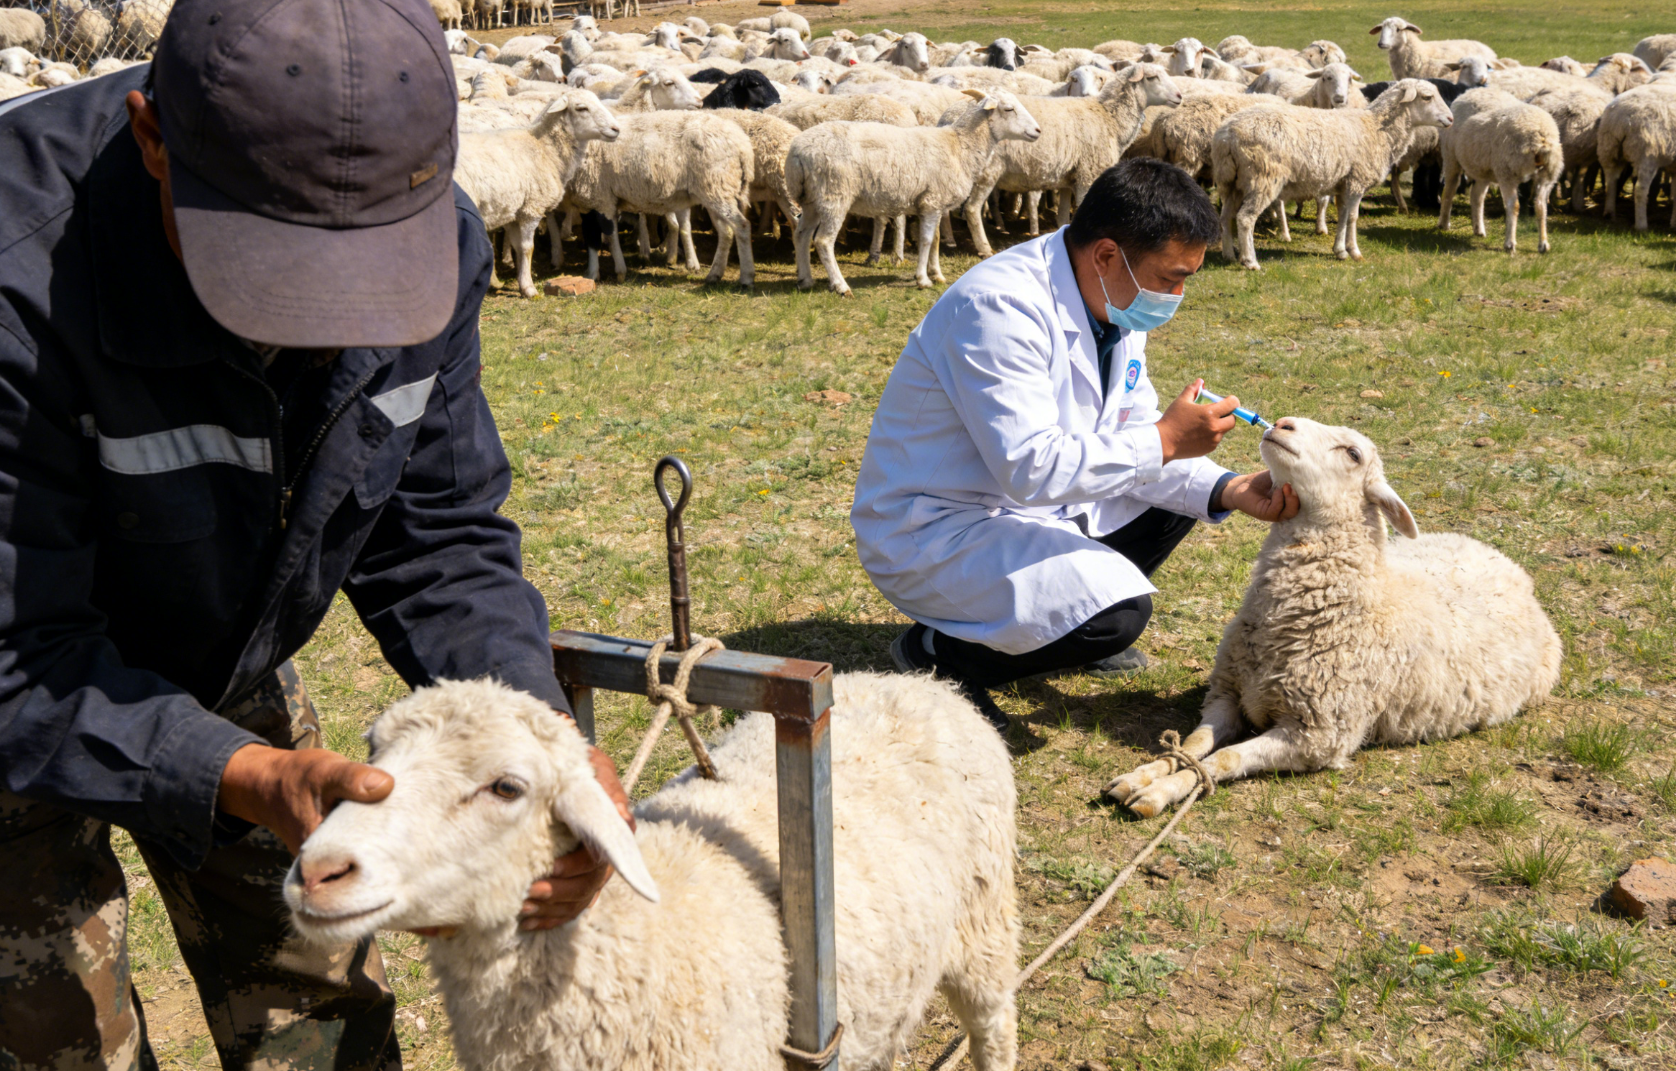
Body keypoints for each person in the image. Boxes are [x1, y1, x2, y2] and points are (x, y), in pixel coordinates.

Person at [0, 0, 629, 1065]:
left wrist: (536, 737)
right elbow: (16, 656)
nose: (330, 321)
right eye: (274, 271)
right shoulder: (19, 281)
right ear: (154, 138)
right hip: (23, 684)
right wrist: (245, 773)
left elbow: (437, 527)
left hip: (226, 650)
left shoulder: (433, 238)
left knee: (319, 1009)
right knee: (52, 1036)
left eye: (368, 275)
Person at [851, 159, 1299, 728]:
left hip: (1033, 506)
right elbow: (1030, 468)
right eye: (1170, 278)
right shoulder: (999, 308)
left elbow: (1126, 435)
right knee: (1117, 615)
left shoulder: (1110, 302)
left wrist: (1231, 488)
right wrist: (1164, 440)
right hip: (938, 525)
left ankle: (1061, 620)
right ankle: (942, 656)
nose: (1178, 294)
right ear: (1108, 255)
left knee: (1187, 494)